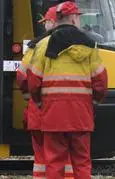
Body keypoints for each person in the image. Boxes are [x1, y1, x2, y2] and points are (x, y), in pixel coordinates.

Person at [27, 1, 107, 179]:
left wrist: (39, 102)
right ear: (73, 19)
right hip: (80, 114)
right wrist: (93, 103)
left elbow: (33, 81)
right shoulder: (89, 44)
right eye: (78, 17)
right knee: (82, 161)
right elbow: (100, 81)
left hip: (53, 114)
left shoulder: (43, 45)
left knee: (54, 162)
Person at [16, 5, 74, 179]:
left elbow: (22, 76)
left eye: (45, 23)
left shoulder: (36, 47)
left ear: (51, 22)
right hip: (66, 112)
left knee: (41, 158)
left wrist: (31, 99)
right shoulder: (75, 45)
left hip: (39, 112)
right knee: (66, 155)